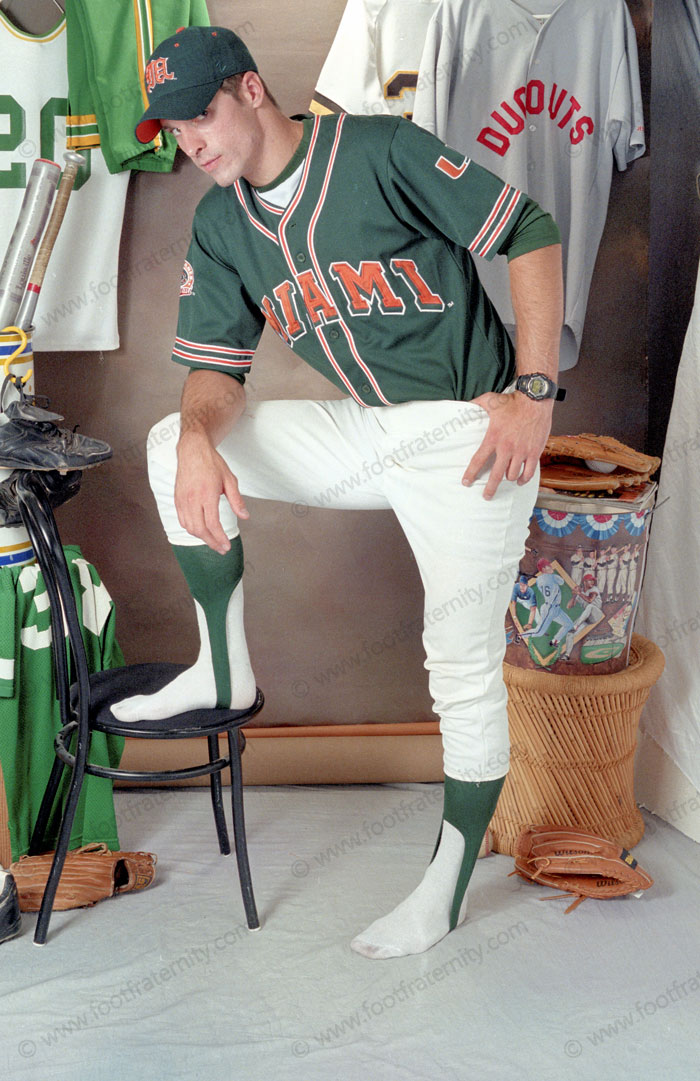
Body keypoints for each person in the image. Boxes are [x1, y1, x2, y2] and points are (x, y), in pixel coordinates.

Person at [115, 26, 564, 960]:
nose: (190, 142)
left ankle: (443, 890)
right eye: (173, 129)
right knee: (170, 442)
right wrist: (197, 436)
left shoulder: (380, 150)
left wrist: (533, 393)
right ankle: (223, 668)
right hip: (366, 431)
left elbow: (529, 228)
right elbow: (217, 372)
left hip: (464, 435)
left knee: (461, 667)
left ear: (250, 88)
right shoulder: (222, 224)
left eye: (201, 115)